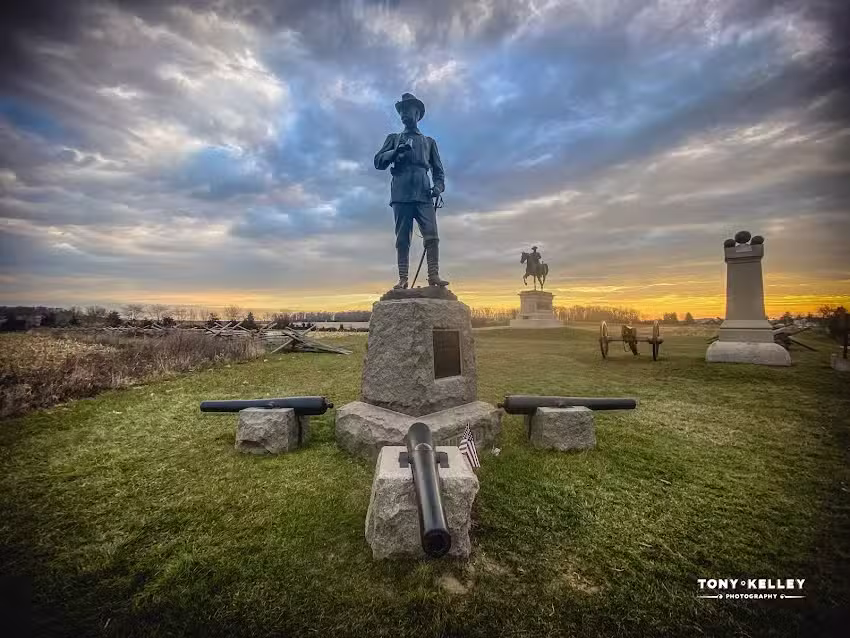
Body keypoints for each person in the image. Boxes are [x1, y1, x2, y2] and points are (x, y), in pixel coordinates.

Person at [374, 93, 447, 289]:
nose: (404, 114)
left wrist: (438, 187)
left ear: (417, 113)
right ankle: (403, 278)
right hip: (401, 193)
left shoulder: (429, 142)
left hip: (424, 193)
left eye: (408, 110)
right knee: (402, 238)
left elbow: (439, 171)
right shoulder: (394, 139)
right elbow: (378, 162)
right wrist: (395, 152)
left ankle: (434, 275)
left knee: (432, 236)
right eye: (401, 111)